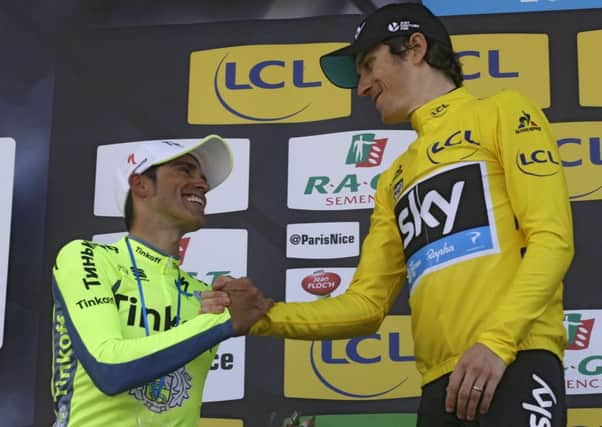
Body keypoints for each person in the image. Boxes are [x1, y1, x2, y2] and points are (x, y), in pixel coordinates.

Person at [203, 3, 575, 426]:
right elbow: (366, 305)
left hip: (515, 361)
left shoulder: (504, 112)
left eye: (367, 65)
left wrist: (496, 343)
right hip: (441, 386)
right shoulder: (393, 178)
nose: (362, 87)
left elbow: (552, 239)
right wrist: (265, 318)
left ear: (415, 47)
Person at [51, 135, 272, 426]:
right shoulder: (86, 257)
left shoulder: (206, 296)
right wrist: (221, 323)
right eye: (184, 170)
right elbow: (109, 368)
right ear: (141, 184)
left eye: (203, 177)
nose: (203, 185)